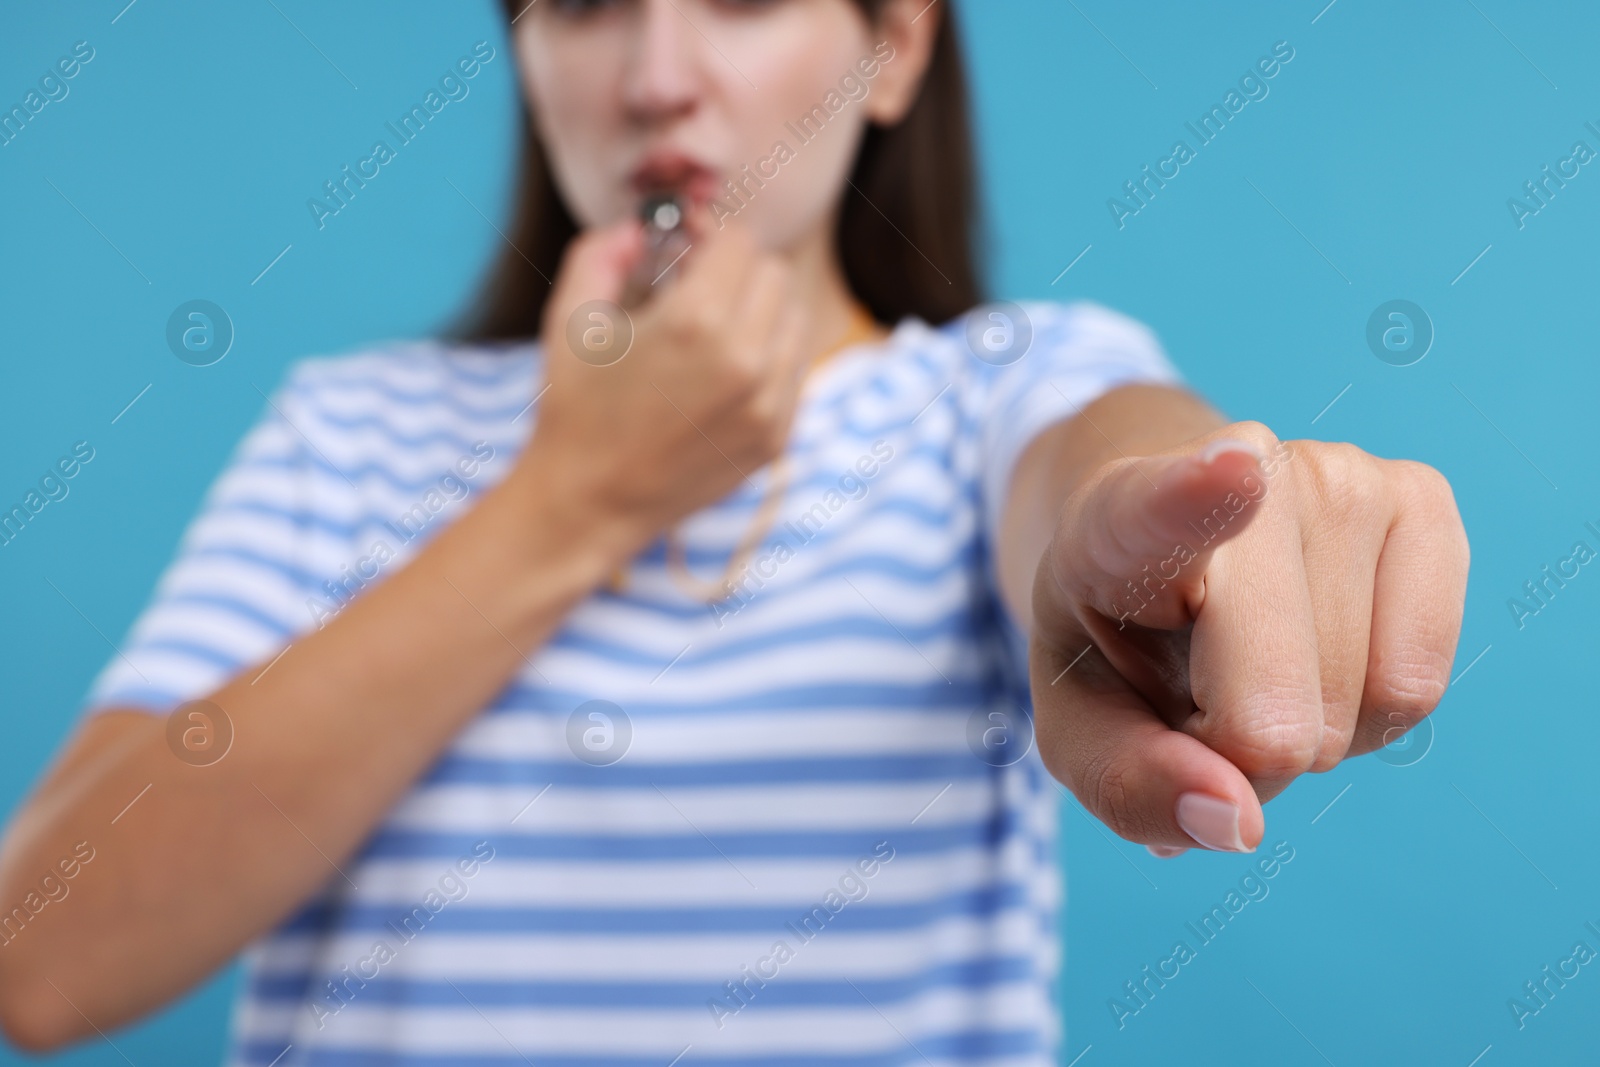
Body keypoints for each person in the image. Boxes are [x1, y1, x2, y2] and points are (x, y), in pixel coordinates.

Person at [0, 0, 1469, 1063]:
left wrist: (1181, 533)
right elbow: (40, 961)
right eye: (582, 6)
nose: (656, 77)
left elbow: (1101, 457)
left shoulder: (994, 391)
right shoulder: (350, 429)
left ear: (892, 47)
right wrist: (577, 501)